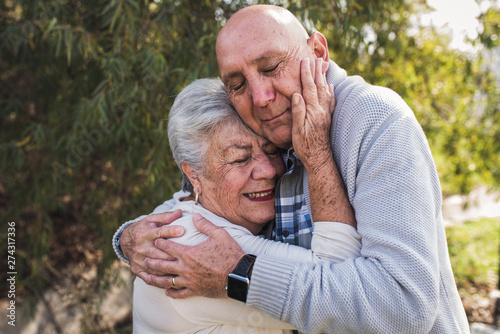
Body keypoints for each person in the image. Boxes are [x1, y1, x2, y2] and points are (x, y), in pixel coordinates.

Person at [113, 5, 470, 333]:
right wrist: (129, 238)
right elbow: (191, 198)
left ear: (318, 52)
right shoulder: (258, 124)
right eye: (237, 84)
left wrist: (239, 276)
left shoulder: (375, 120)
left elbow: (403, 309)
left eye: (271, 68)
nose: (260, 97)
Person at [133, 78, 361, 333]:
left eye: (273, 151)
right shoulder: (192, 243)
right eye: (240, 159)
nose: (268, 170)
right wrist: (318, 155)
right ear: (194, 175)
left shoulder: (197, 210)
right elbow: (342, 288)